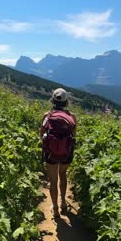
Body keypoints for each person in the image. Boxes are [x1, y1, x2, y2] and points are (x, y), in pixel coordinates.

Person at [40, 88, 77, 219]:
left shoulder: (47, 116)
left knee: (53, 180)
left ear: (53, 100)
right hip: (66, 154)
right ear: (66, 101)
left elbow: (41, 135)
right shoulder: (72, 117)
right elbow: (74, 136)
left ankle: (55, 208)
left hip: (51, 154)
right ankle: (63, 203)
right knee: (63, 175)